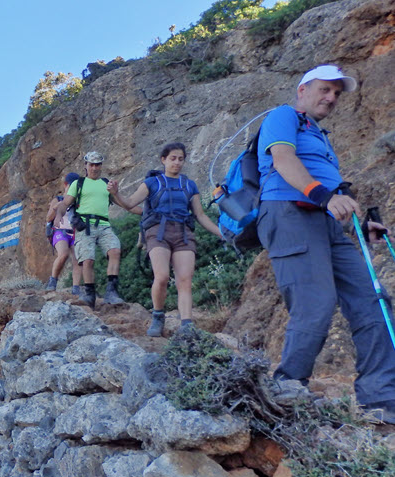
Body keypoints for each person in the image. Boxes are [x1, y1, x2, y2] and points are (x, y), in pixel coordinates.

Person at [256, 64, 395, 420]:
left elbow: (330, 194)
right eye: (325, 89)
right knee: (316, 301)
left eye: (336, 93)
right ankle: (288, 387)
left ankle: (380, 398)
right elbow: (284, 160)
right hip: (287, 214)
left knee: (374, 301)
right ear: (303, 89)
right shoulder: (282, 116)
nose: (332, 98)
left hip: (325, 222)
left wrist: (362, 230)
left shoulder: (319, 134)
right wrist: (324, 197)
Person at [110, 143, 222, 336]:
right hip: (157, 232)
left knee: (185, 280)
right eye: (172, 158)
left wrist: (222, 233)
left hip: (183, 232)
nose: (177, 163)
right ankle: (158, 316)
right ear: (163, 160)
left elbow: (201, 216)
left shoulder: (189, 184)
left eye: (180, 159)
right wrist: (115, 193)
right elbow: (129, 203)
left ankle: (186, 325)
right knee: (161, 277)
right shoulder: (152, 183)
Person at [53, 151, 124, 308]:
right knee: (88, 259)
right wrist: (59, 215)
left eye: (97, 164)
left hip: (104, 224)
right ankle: (89, 294)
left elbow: (123, 202)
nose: (94, 168)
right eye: (91, 164)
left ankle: (111, 292)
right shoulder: (78, 184)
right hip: (84, 225)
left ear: (101, 166)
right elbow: (65, 203)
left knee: (115, 251)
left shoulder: (106, 184)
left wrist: (141, 210)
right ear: (86, 165)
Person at [45, 172, 83, 295]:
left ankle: (76, 288)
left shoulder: (78, 202)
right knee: (63, 254)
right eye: (72, 186)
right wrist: (56, 207)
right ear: (66, 185)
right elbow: (48, 218)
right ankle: (53, 281)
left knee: (78, 260)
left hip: (74, 232)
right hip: (59, 230)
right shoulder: (58, 199)